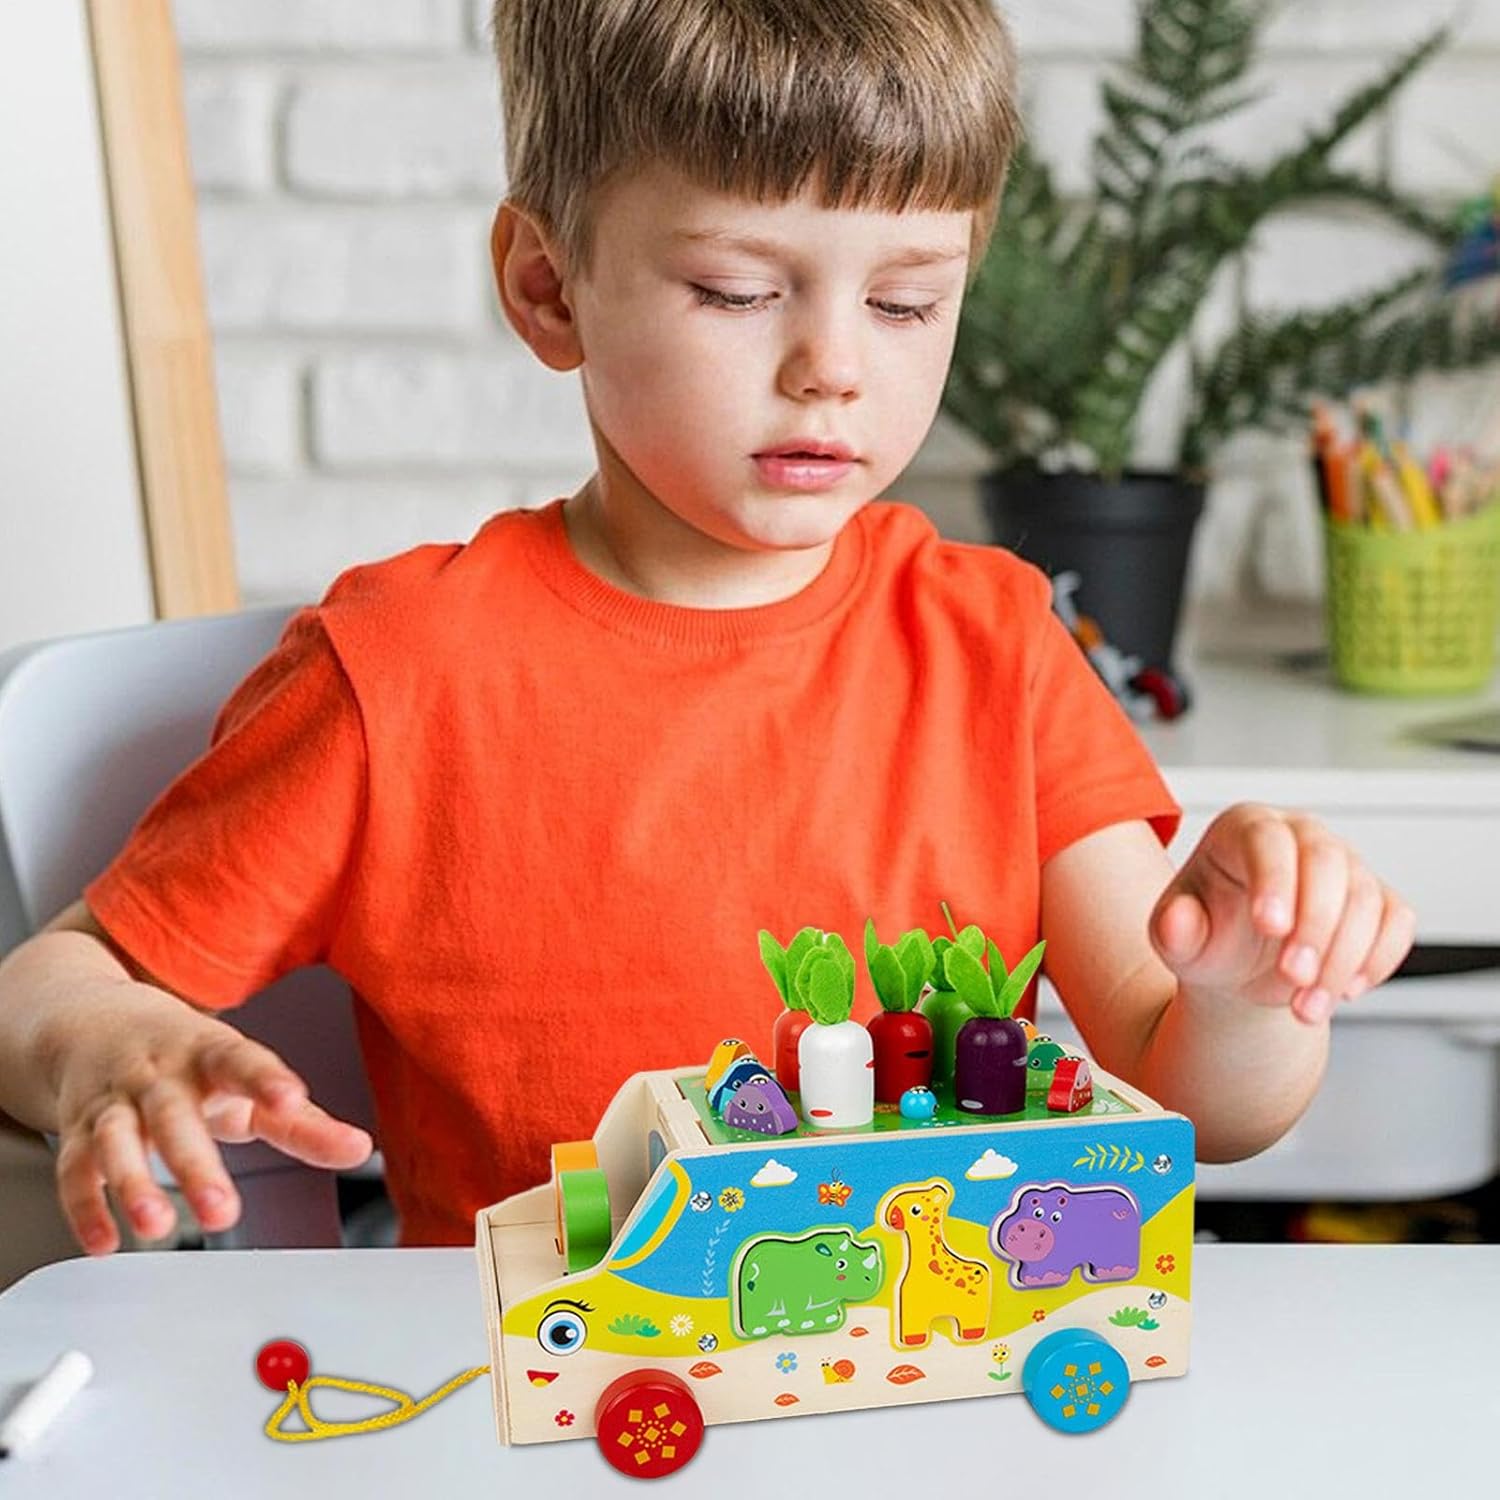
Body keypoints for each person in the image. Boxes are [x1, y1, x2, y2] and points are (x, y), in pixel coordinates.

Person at [0, 0, 1414, 1256]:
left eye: (908, 301)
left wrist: (1250, 992)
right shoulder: (398, 674)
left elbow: (1194, 1103)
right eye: (738, 291)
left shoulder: (996, 645)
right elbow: (46, 988)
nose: (833, 368)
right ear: (549, 287)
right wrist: (105, 1041)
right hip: (539, 1404)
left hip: (935, 1383)